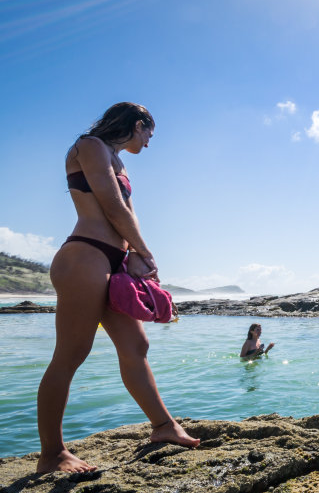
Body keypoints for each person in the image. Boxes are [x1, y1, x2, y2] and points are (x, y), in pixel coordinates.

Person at [37, 103, 199, 473]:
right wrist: (145, 251)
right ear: (137, 125)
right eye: (148, 134)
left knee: (136, 344)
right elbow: (111, 205)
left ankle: (163, 426)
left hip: (115, 263)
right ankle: (51, 454)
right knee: (71, 353)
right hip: (85, 257)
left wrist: (137, 258)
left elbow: (128, 211)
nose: (148, 142)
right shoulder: (90, 145)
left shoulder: (118, 160)